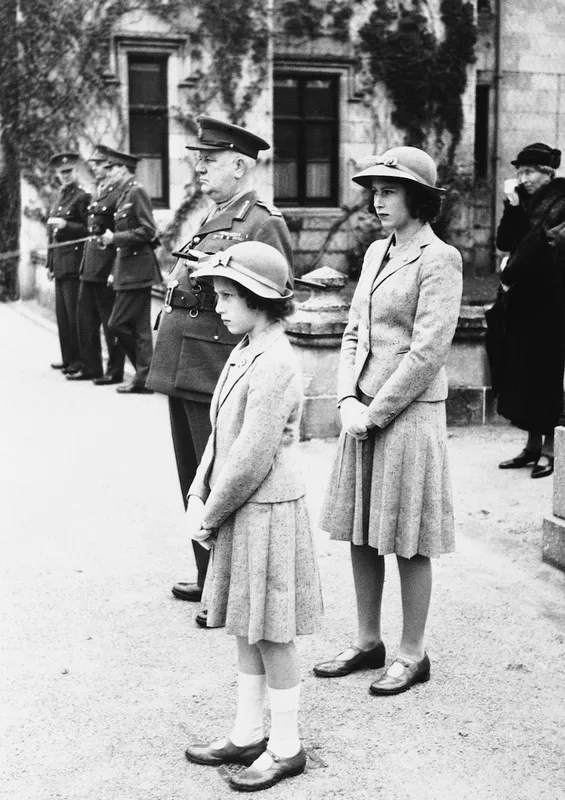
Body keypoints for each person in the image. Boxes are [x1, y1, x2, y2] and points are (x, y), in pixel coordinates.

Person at [312, 147, 462, 695]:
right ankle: (367, 640)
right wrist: (346, 399)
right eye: (374, 190)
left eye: (389, 191)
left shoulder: (439, 258)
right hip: (362, 415)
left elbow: (426, 353)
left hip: (407, 417)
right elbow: (354, 332)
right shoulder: (376, 252)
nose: (377, 200)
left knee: (409, 537)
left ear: (418, 199)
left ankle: (411, 653)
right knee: (361, 529)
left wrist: (373, 413)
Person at [182, 241, 322, 792]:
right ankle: (246, 732)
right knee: (246, 620)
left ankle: (286, 747)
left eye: (226, 296)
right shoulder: (244, 349)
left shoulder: (277, 360)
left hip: (264, 509)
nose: (217, 306)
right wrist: (197, 493)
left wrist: (211, 513)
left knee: (273, 631)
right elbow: (221, 437)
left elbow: (251, 457)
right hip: (240, 507)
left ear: (259, 299)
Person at [146, 116, 293, 621]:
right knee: (194, 472)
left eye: (209, 160)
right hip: (186, 360)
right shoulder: (216, 216)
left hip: (214, 362)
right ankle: (210, 576)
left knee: (223, 473)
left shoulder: (260, 221)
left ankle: (226, 586)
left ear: (240, 164)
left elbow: (272, 297)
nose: (200, 169)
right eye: (199, 160)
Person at [493, 143, 565, 479]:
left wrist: (511, 272)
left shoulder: (561, 201)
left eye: (530, 172)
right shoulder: (524, 200)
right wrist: (513, 206)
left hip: (551, 300)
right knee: (521, 370)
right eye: (520, 172)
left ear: (547, 173)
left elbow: (546, 245)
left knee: (545, 374)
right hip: (522, 302)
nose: (523, 178)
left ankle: (550, 449)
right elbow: (505, 242)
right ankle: (532, 445)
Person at [99, 146, 161, 394]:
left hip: (138, 269)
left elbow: (149, 230)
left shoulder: (136, 193)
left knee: (118, 324)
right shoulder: (125, 194)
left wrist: (115, 237)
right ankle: (145, 377)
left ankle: (145, 375)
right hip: (129, 268)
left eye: (112, 168)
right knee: (140, 328)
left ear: (124, 169)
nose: (108, 173)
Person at [66, 147, 125, 383]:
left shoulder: (119, 193)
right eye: (96, 164)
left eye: (100, 165)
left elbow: (120, 234)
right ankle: (91, 367)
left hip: (106, 268)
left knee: (110, 324)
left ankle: (114, 371)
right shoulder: (100, 191)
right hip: (89, 266)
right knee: (85, 320)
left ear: (111, 167)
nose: (96, 168)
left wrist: (114, 270)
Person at [46, 152, 91, 375]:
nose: (65, 176)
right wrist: (49, 263)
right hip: (60, 263)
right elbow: (51, 234)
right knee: (63, 317)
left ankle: (79, 362)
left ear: (75, 171)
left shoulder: (82, 196)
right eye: (61, 173)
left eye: (68, 172)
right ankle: (68, 359)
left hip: (74, 263)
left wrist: (65, 224)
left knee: (75, 316)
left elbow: (88, 230)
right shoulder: (59, 196)